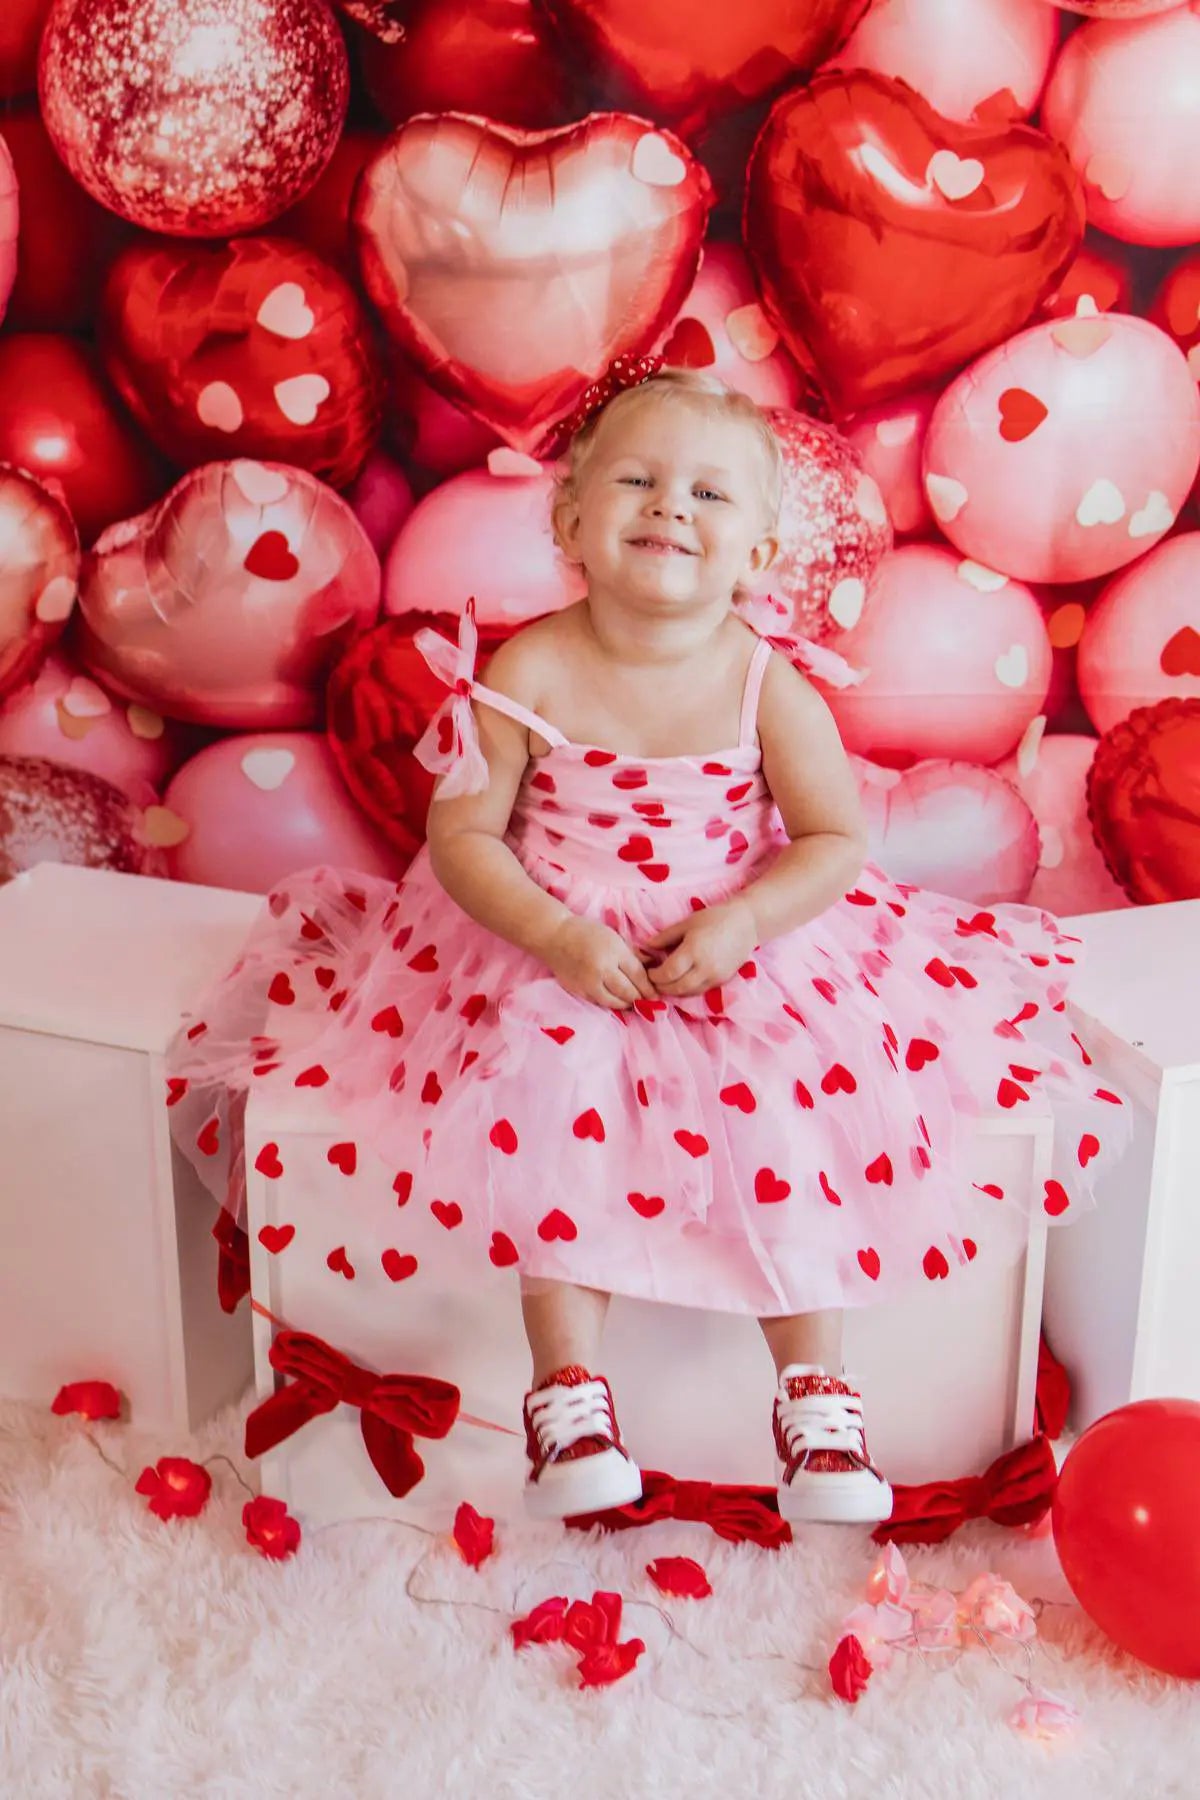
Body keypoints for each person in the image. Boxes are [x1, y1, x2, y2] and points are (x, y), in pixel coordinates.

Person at [167, 362, 1129, 1530]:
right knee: (545, 1078)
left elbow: (831, 839)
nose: (672, 506)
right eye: (637, 480)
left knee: (791, 1096)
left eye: (711, 496)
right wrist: (558, 936)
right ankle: (568, 1395)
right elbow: (463, 836)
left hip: (742, 932)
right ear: (570, 520)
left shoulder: (765, 683)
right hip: (555, 935)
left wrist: (745, 922)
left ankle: (816, 1397)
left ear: (760, 557)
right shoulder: (527, 672)